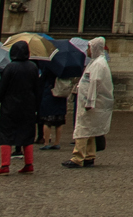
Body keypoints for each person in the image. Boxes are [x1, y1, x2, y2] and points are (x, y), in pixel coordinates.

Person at [0, 41, 40, 175]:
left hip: (10, 106)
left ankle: (5, 165)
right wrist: (38, 107)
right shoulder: (33, 67)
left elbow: (1, 88)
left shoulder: (10, 68)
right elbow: (37, 89)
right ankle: (29, 163)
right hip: (28, 106)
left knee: (6, 134)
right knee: (27, 134)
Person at [64, 38, 113, 168]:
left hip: (89, 103)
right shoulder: (96, 62)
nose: (87, 51)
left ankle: (77, 157)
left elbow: (94, 83)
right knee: (90, 129)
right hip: (88, 102)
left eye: (89, 48)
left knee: (82, 129)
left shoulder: (98, 64)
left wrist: (89, 102)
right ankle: (89, 155)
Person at [37, 62, 67, 147]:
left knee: (47, 120)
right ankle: (57, 142)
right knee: (59, 120)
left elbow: (43, 79)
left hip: (49, 92)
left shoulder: (48, 65)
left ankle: (46, 142)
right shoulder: (64, 65)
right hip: (61, 92)